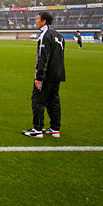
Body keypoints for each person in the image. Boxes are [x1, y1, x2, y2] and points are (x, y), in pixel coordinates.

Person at [22, 11, 66, 139]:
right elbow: (60, 58)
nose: (36, 21)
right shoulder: (59, 36)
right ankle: (55, 129)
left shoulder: (44, 36)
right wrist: (60, 76)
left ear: (44, 21)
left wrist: (39, 77)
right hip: (57, 75)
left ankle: (37, 129)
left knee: (37, 101)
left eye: (37, 19)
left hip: (46, 76)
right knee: (53, 101)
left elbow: (43, 57)